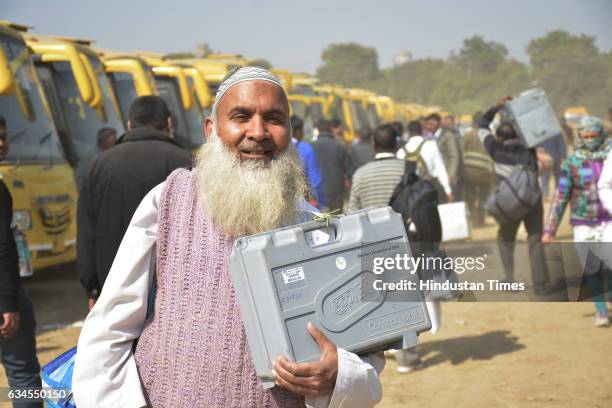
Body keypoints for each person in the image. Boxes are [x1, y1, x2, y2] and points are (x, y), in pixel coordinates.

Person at [73, 67, 384, 408]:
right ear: (211, 129)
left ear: (290, 132)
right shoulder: (169, 200)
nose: (258, 132)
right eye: (240, 116)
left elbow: (363, 363)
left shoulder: (315, 228)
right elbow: (110, 328)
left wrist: (338, 374)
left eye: (274, 119)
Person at [77, 96, 192, 310]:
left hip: (113, 289)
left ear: (129, 125)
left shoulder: (98, 166)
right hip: (172, 293)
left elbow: (86, 233)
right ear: (169, 123)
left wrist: (91, 287)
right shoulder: (185, 161)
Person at [347, 123, 440, 373]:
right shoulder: (410, 170)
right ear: (396, 145)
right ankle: (407, 357)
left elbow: (350, 214)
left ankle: (380, 349)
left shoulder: (361, 175)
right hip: (406, 245)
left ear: (374, 146)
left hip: (371, 247)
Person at [544, 116, 611, 326]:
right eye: (586, 135)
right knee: (591, 267)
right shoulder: (571, 163)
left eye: (594, 135)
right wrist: (550, 229)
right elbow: (561, 196)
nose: (590, 139)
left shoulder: (610, 158)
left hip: (609, 218)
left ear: (601, 135)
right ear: (580, 136)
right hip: (582, 222)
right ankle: (601, 310)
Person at [479, 98, 550, 294]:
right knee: (534, 239)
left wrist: (496, 106)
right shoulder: (528, 147)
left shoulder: (494, 148)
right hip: (533, 199)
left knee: (504, 239)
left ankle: (510, 279)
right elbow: (534, 125)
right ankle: (541, 285)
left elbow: (482, 125)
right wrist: (517, 108)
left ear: (498, 136)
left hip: (510, 203)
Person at [0, 116, 43, 408]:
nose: (2, 144)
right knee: (23, 376)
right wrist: (7, 302)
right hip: (5, 300)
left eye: (3, 136)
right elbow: (2, 246)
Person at [396, 121, 452, 203]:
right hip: (429, 191)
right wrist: (448, 190)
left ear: (408, 133)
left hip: (410, 196)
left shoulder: (401, 152)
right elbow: (441, 169)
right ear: (421, 131)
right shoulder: (431, 145)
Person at [461, 113, 494, 227]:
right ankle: (481, 220)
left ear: (473, 123)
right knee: (483, 196)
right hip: (486, 172)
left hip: (469, 172)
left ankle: (474, 220)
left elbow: (462, 151)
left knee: (471, 196)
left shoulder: (468, 134)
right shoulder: (489, 135)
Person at [312, 118, 349, 211]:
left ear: (318, 130)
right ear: (330, 129)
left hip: (318, 191)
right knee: (337, 219)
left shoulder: (311, 146)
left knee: (323, 223)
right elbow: (347, 168)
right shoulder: (339, 145)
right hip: (337, 190)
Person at [424, 113, 463, 200]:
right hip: (435, 178)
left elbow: (454, 156)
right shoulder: (428, 137)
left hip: (447, 176)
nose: (428, 127)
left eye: (430, 124)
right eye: (427, 124)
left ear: (437, 123)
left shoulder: (448, 136)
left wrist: (451, 174)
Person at [290, 115, 325, 208]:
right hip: (304, 203)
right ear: (298, 131)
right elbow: (315, 180)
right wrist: (321, 203)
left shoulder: (278, 148)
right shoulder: (306, 148)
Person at [539, 133, 567, 199]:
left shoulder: (541, 133)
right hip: (556, 158)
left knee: (545, 178)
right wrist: (564, 156)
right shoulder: (557, 132)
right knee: (558, 178)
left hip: (545, 158)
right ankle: (559, 195)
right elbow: (561, 145)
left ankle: (545, 194)